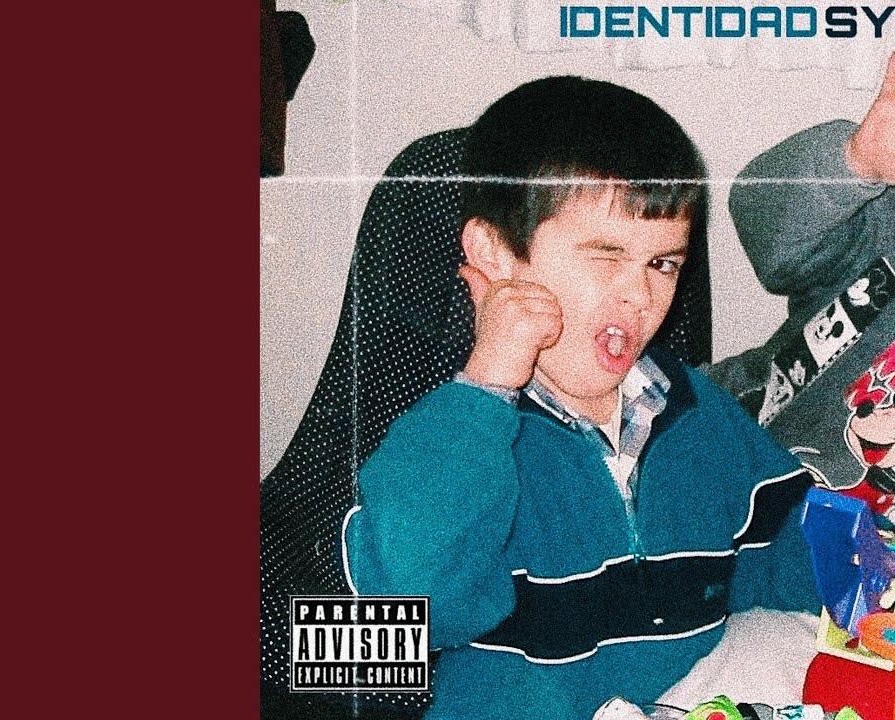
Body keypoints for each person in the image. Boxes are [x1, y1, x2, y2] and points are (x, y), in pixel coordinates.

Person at [343, 76, 820, 720]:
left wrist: (891, 566)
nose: (639, 296)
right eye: (605, 256)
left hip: (686, 698)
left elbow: (792, 549)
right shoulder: (457, 440)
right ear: (495, 253)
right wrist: (486, 386)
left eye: (662, 264)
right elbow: (409, 610)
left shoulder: (699, 414)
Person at [708, 42, 895, 568]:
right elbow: (761, 223)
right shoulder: (890, 230)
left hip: (833, 557)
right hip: (712, 448)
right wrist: (856, 163)